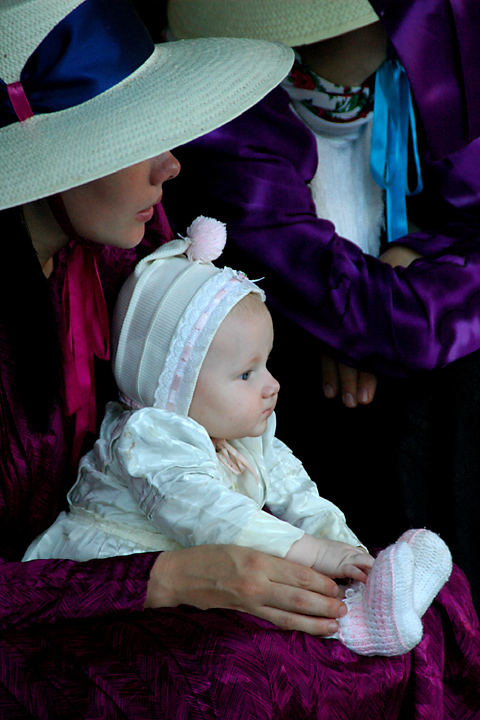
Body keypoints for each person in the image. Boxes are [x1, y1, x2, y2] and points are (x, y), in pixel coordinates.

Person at [1, 1, 479, 717]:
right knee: (248, 671)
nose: (173, 163)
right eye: (132, 139)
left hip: (155, 541)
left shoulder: (119, 252)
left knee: (432, 606)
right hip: (47, 615)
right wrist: (169, 577)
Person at [163, 0, 480, 609]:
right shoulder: (228, 118)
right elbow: (383, 321)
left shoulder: (437, 62)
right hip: (286, 406)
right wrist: (355, 322)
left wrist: (412, 258)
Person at [24, 217, 454, 658]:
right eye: (246, 373)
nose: (272, 384)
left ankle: (377, 596)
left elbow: (296, 491)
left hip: (213, 565)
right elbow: (213, 515)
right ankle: (355, 624)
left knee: (301, 578)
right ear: (176, 385)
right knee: (253, 635)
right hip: (125, 577)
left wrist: (350, 555)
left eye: (267, 364)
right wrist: (316, 554)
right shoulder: (148, 436)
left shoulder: (239, 428)